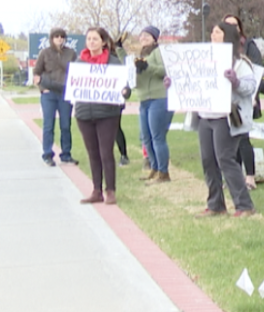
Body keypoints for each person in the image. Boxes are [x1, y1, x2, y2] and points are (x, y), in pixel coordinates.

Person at [193, 22, 257, 217]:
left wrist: (236, 81)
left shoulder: (240, 63)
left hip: (226, 117)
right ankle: (215, 204)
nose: (213, 35)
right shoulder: (203, 59)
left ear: (228, 36)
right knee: (208, 160)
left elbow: (250, 87)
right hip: (205, 116)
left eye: (218, 32)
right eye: (212, 32)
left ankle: (244, 205)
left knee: (225, 159)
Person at [74, 27, 127, 205]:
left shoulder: (113, 63)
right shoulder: (79, 62)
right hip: (84, 113)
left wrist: (124, 91)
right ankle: (96, 190)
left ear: (103, 42)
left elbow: (124, 86)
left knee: (106, 152)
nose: (91, 42)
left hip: (107, 114)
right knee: (93, 153)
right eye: (89, 39)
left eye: (95, 39)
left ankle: (110, 190)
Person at [223, 14, 264, 190]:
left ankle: (250, 177)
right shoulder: (220, 48)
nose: (231, 28)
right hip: (224, 103)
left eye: (234, 25)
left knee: (243, 138)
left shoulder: (248, 46)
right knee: (228, 142)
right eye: (227, 24)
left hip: (243, 100)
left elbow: (256, 72)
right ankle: (234, 177)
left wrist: (254, 96)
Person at [33, 28, 78, 167]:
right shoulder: (44, 53)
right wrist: (42, 88)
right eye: (56, 36)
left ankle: (66, 154)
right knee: (48, 125)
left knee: (66, 125)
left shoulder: (71, 53)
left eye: (62, 36)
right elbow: (36, 73)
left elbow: (77, 72)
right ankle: (47, 154)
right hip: (49, 93)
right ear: (52, 38)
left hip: (65, 93)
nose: (59, 39)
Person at [134, 25, 173, 182]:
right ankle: (154, 168)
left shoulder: (159, 52)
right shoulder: (140, 55)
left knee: (157, 136)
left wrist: (147, 66)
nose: (143, 38)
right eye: (141, 35)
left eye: (147, 35)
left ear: (155, 39)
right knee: (146, 137)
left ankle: (163, 172)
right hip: (143, 99)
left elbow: (165, 70)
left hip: (159, 97)